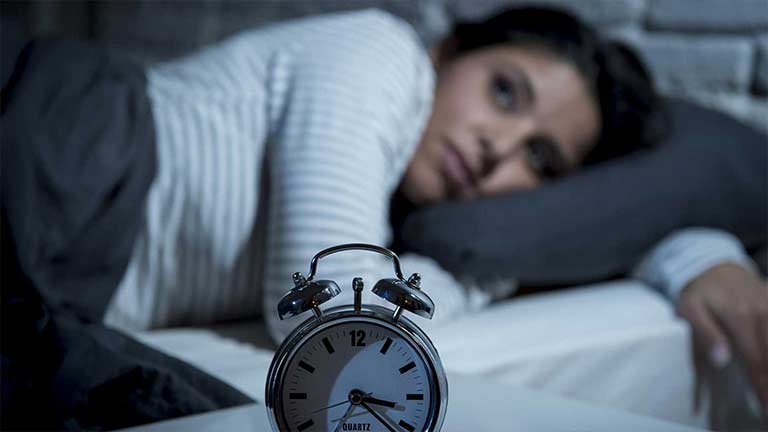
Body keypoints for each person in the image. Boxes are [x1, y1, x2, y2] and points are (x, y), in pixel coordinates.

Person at [1, 5, 764, 430]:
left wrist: (696, 255)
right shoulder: (380, 53)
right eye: (503, 92)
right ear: (448, 51)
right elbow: (330, 319)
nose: (497, 149)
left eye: (541, 160)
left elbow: (595, 226)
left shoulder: (401, 219)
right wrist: (486, 282)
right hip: (64, 141)